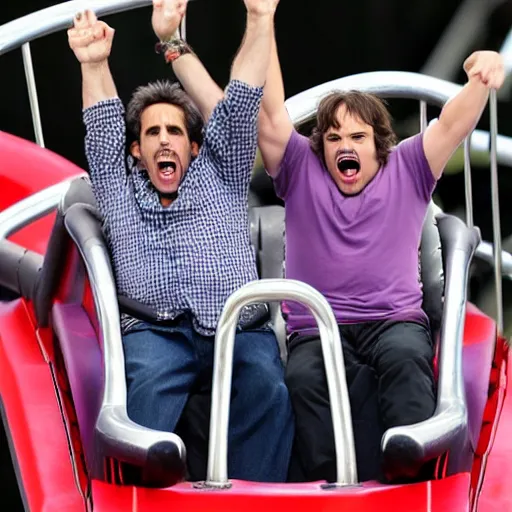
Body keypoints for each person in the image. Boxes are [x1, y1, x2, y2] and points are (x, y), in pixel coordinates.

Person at [255, 23, 504, 482]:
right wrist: (264, 21)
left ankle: (409, 481)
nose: (344, 146)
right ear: (321, 148)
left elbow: (451, 124)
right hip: (317, 329)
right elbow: (270, 117)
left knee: (407, 362)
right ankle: (331, 488)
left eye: (356, 137)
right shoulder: (299, 168)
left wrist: (482, 78)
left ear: (379, 144)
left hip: (394, 322)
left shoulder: (408, 165)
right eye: (333, 138)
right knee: (306, 381)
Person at [67, 0, 293, 484]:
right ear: (137, 149)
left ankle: (257, 497)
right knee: (138, 415)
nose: (165, 140)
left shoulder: (223, 169)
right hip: (155, 334)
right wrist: (94, 63)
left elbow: (245, 97)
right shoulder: (120, 187)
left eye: (175, 130)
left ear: (194, 144)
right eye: (152, 133)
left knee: (270, 392)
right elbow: (103, 127)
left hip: (238, 328)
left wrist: (258, 20)